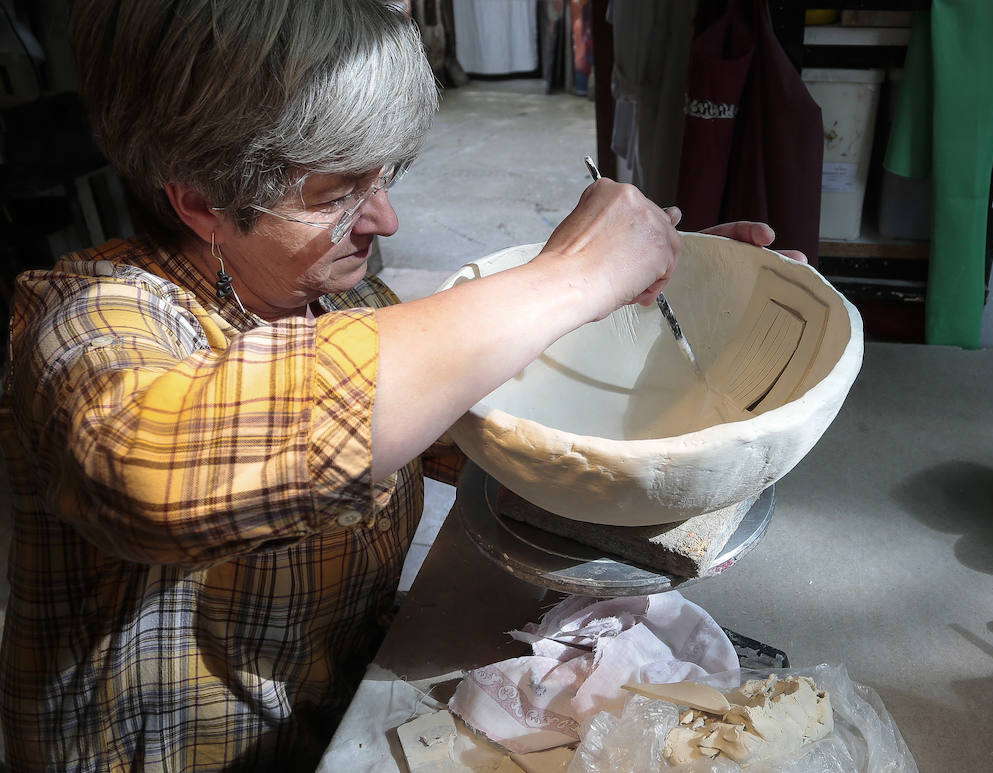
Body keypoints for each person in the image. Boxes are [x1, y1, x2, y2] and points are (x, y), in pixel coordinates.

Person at [0, 1, 799, 769]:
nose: (384, 220)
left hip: (340, 716)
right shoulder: (81, 321)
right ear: (203, 200)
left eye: (385, 177)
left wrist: (628, 320)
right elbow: (147, 465)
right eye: (339, 192)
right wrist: (564, 279)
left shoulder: (342, 298)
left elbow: (481, 424)